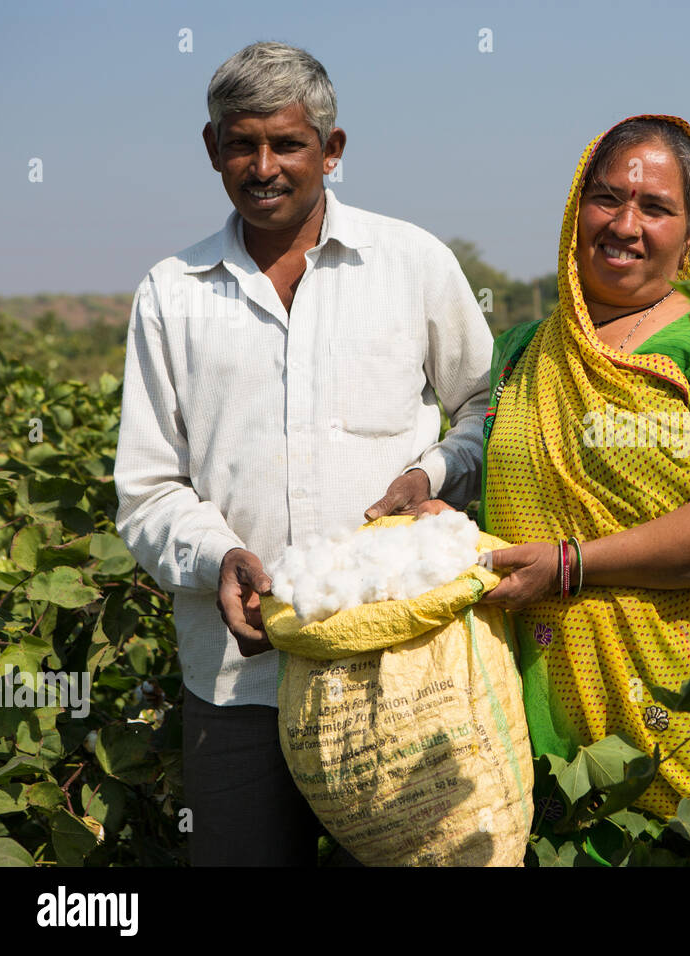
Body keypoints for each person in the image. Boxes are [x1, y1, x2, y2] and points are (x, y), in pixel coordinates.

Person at [113, 41, 493, 865]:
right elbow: (146, 490)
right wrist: (217, 554)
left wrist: (432, 474)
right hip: (237, 683)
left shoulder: (412, 263)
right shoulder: (170, 292)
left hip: (400, 669)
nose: (263, 166)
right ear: (211, 149)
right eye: (241, 144)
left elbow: (486, 408)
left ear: (333, 150)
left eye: (287, 143)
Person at [476, 115, 690, 822]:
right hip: (545, 752)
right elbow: (497, 493)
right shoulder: (521, 351)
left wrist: (572, 565)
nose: (625, 224)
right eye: (606, 198)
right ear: (575, 209)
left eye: (656, 208)